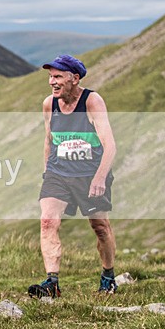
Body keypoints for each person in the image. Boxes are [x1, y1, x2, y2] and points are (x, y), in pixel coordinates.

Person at [29, 54, 118, 299]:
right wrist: (48, 174)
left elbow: (110, 146)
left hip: (90, 174)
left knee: (100, 227)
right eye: (50, 77)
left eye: (58, 76)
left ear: (74, 78)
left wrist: (99, 178)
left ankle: (108, 276)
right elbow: (48, 140)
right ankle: (51, 283)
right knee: (47, 221)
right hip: (58, 173)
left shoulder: (92, 101)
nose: (52, 82)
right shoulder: (50, 104)